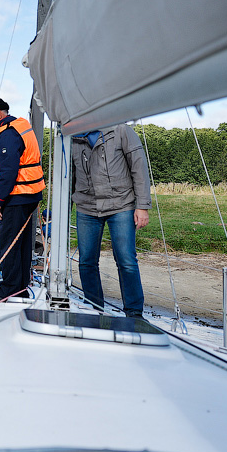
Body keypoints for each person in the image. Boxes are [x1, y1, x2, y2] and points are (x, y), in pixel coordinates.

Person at [72, 124, 151, 317]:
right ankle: (93, 308)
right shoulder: (71, 135)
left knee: (126, 261)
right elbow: (68, 176)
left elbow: (139, 168)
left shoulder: (121, 130)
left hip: (121, 204)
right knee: (86, 261)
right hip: (86, 206)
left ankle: (134, 313)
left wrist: (142, 206)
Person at [0, 97, 45, 300]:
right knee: (23, 245)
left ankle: (9, 290)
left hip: (16, 196)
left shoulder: (6, 134)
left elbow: (8, 170)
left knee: (9, 243)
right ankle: (21, 288)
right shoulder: (19, 128)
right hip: (29, 195)